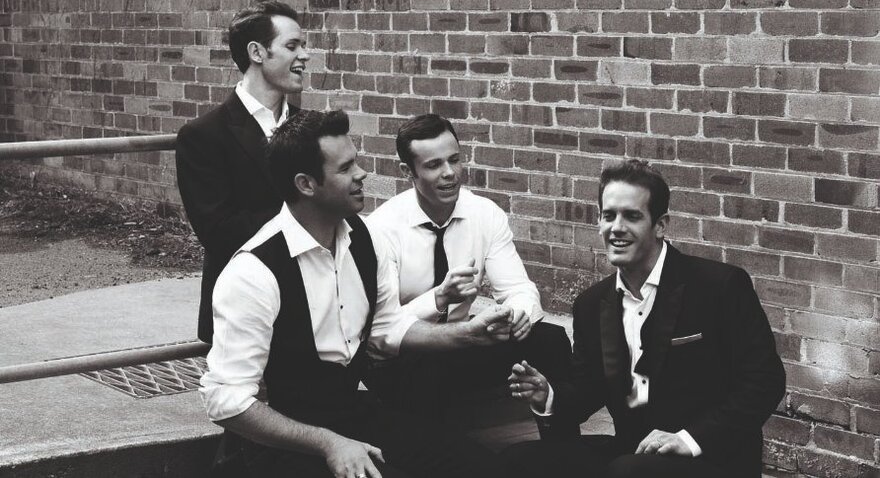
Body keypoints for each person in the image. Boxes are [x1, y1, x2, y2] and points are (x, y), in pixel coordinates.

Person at [201, 109, 510, 478]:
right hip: (279, 448)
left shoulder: (365, 239)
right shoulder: (254, 272)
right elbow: (225, 401)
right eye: (346, 168)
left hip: (352, 415)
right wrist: (329, 443)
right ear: (305, 184)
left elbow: (387, 329)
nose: (362, 174)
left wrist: (464, 335)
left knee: (480, 467)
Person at [505, 159, 785, 478]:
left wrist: (688, 439)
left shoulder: (720, 287)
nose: (617, 228)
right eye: (608, 215)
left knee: (627, 472)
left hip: (711, 458)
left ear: (660, 225)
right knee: (518, 461)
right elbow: (587, 390)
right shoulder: (591, 304)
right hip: (633, 452)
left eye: (632, 216)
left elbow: (764, 382)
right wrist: (548, 396)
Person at [365, 113, 572, 423]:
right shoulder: (381, 229)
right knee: (426, 372)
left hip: (464, 343)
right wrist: (437, 299)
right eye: (434, 165)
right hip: (400, 360)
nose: (449, 173)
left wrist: (517, 315)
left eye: (454, 160)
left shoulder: (484, 214)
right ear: (408, 172)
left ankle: (557, 442)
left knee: (552, 340)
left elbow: (518, 288)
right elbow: (380, 333)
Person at [175, 0, 309, 342]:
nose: (304, 56)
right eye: (292, 46)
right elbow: (220, 232)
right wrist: (306, 215)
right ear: (257, 52)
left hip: (312, 308)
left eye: (303, 47)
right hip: (242, 311)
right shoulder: (204, 135)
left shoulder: (311, 127)